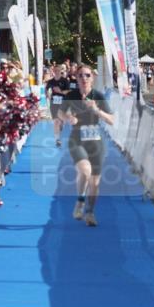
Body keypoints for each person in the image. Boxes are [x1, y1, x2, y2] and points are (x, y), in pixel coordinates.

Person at [60, 64, 114, 227]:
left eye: (87, 75)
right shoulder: (71, 95)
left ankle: (90, 212)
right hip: (77, 138)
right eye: (80, 76)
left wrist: (96, 110)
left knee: (95, 182)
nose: (84, 78)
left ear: (93, 78)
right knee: (85, 170)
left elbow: (111, 120)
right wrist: (68, 118)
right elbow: (61, 113)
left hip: (96, 140)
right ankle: (80, 201)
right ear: (75, 78)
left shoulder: (98, 96)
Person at [46, 65, 70, 146]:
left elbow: (68, 92)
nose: (56, 72)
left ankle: (61, 127)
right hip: (54, 103)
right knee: (56, 121)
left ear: (61, 71)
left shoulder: (65, 80)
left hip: (63, 102)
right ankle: (57, 140)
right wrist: (48, 96)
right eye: (55, 70)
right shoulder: (50, 81)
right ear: (53, 71)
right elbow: (46, 90)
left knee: (61, 121)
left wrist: (60, 92)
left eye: (58, 70)